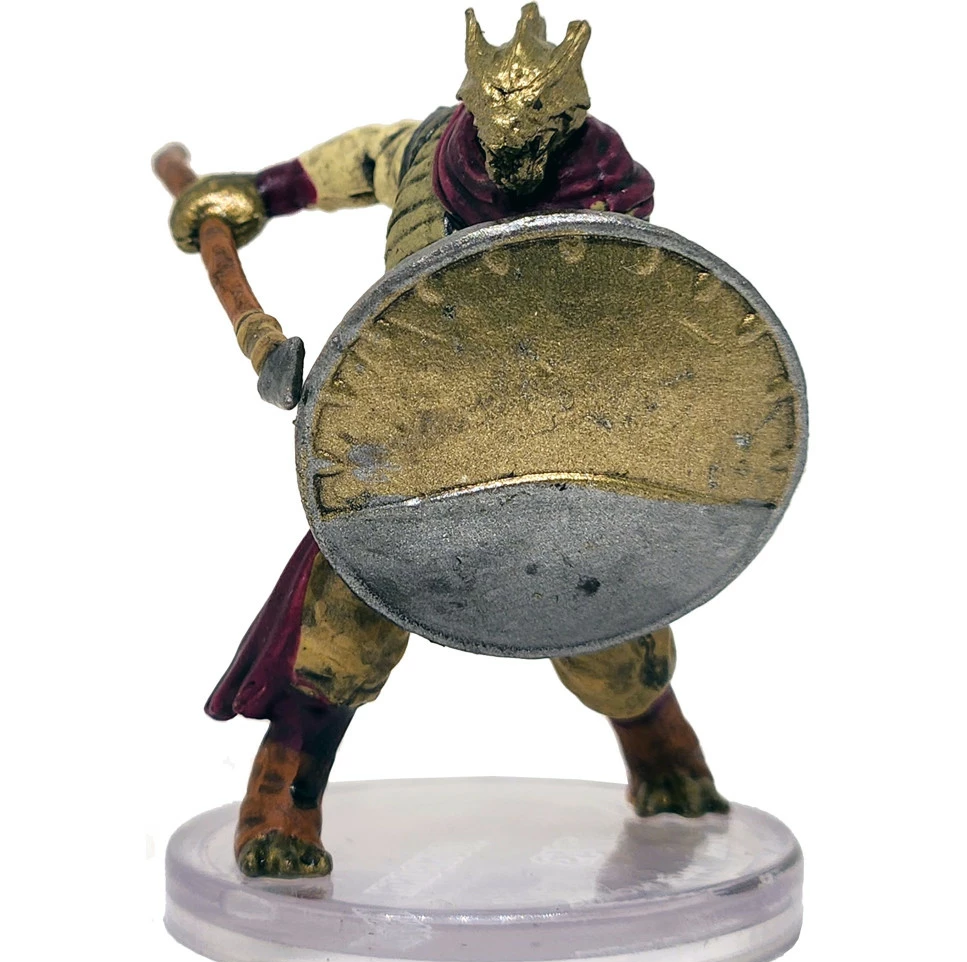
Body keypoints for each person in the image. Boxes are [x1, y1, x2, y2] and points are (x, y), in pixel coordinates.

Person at [169, 4, 727, 879]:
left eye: (532, 137)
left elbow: (649, 344)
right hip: (410, 446)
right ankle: (282, 802)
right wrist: (261, 193)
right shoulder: (430, 152)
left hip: (554, 456)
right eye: (497, 132)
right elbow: (356, 162)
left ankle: (664, 754)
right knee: (341, 623)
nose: (509, 156)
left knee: (609, 623)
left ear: (567, 121)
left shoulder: (609, 204)